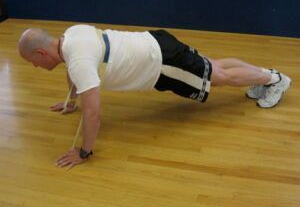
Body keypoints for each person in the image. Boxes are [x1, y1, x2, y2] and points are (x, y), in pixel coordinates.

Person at [18, 25, 291, 169]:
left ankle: (275, 80)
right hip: (157, 41)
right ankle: (268, 77)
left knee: (218, 77)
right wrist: (72, 101)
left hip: (162, 63)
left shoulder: (78, 60)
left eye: (32, 62)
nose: (34, 67)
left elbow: (94, 115)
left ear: (41, 54)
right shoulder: (70, 36)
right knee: (215, 66)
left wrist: (83, 152)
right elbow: (76, 73)